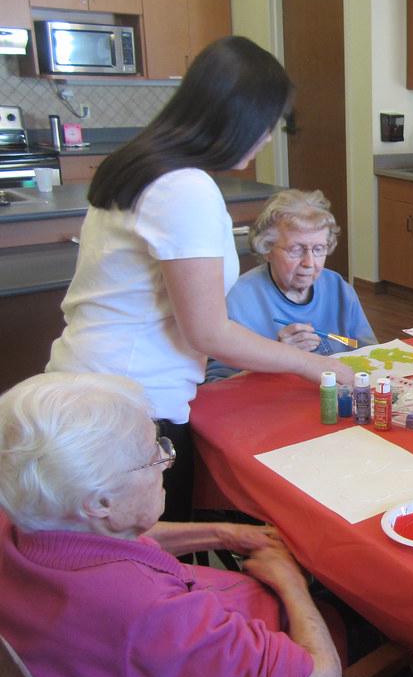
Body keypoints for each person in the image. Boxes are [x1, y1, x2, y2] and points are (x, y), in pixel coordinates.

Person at [46, 37, 351, 521]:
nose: (269, 138)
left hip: (84, 386)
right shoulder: (185, 188)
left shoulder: (138, 165)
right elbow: (208, 331)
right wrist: (311, 365)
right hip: (131, 405)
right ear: (237, 118)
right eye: (267, 125)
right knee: (152, 565)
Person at [0, 372, 344, 677]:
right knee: (342, 615)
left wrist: (224, 533)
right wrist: (293, 585)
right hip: (242, 675)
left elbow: (103, 537)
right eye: (153, 455)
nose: (166, 462)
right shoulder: (150, 615)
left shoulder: (24, 516)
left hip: (100, 676)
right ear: (101, 501)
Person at [207, 190, 375, 379]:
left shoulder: (337, 287)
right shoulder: (239, 299)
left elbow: (370, 353)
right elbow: (217, 385)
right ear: (267, 249)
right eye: (296, 250)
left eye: (319, 249)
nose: (309, 263)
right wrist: (278, 357)